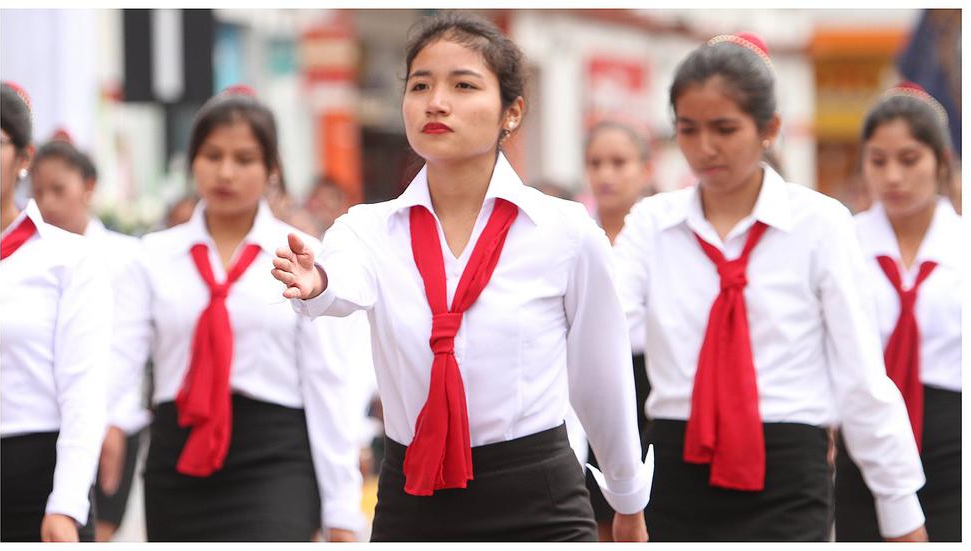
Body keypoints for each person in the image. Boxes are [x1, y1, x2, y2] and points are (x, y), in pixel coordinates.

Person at [271, 12, 651, 542]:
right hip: (414, 498)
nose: (435, 101)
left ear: (511, 112)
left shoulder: (563, 232)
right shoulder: (369, 230)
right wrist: (318, 283)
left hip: (538, 496)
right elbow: (343, 280)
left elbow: (599, 376)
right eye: (420, 85)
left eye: (463, 85)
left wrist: (626, 497)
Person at [611, 33, 928, 542]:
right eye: (688, 130)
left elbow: (860, 373)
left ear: (769, 129)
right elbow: (601, 338)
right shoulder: (652, 224)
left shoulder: (820, 223)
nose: (704, 148)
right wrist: (621, 482)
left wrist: (900, 509)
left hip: (787, 469)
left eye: (724, 128)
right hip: (675, 463)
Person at [111, 86, 366, 541]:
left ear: (271, 169)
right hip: (179, 459)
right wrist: (106, 428)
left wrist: (342, 510)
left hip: (276, 458)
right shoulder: (151, 256)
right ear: (192, 160)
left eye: (244, 159)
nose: (225, 172)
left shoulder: (301, 256)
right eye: (212, 155)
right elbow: (118, 366)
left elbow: (327, 381)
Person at [835, 82, 962, 542]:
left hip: (952, 443)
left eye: (909, 160)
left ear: (940, 162)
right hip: (861, 442)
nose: (893, 177)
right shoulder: (842, 242)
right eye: (878, 160)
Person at [0, 81, 112, 542]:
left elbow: (83, 391)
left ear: (23, 158)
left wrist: (66, 504)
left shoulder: (69, 258)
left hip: (34, 474)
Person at [29, 129, 151, 542]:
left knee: (96, 532)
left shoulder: (125, 256)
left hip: (114, 419)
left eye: (59, 189)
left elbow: (131, 348)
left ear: (89, 187)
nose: (48, 203)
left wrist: (112, 423)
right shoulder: (28, 261)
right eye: (38, 191)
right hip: (47, 424)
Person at [581, 120, 655, 541]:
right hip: (588, 379)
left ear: (645, 169)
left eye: (619, 162)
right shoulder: (576, 232)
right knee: (592, 514)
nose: (606, 174)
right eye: (596, 163)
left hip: (646, 379)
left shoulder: (660, 235)